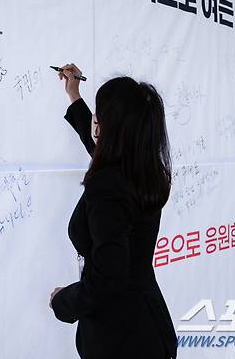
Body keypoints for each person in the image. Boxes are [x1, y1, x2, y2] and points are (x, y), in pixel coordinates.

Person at [49, 64, 177, 359]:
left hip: (120, 338)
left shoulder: (108, 185)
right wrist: (74, 96)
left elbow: (109, 278)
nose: (94, 119)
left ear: (110, 126)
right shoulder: (146, 169)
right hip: (149, 326)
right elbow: (102, 150)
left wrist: (63, 301)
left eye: (99, 113)